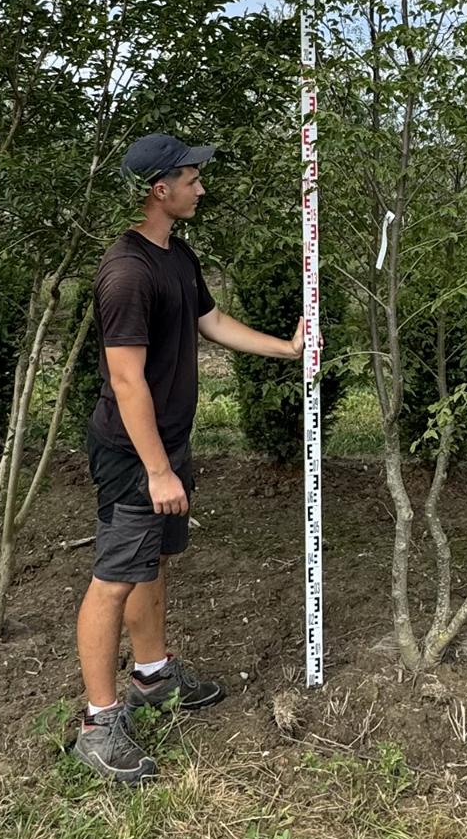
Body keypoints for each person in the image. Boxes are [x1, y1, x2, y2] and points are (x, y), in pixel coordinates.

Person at [74, 133, 304, 784]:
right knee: (115, 577)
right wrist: (156, 469)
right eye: (192, 178)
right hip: (131, 453)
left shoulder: (176, 256)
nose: (201, 187)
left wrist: (286, 350)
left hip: (166, 445)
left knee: (152, 563)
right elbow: (126, 381)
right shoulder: (127, 272)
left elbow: (212, 322)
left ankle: (151, 676)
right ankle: (98, 722)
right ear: (160, 189)